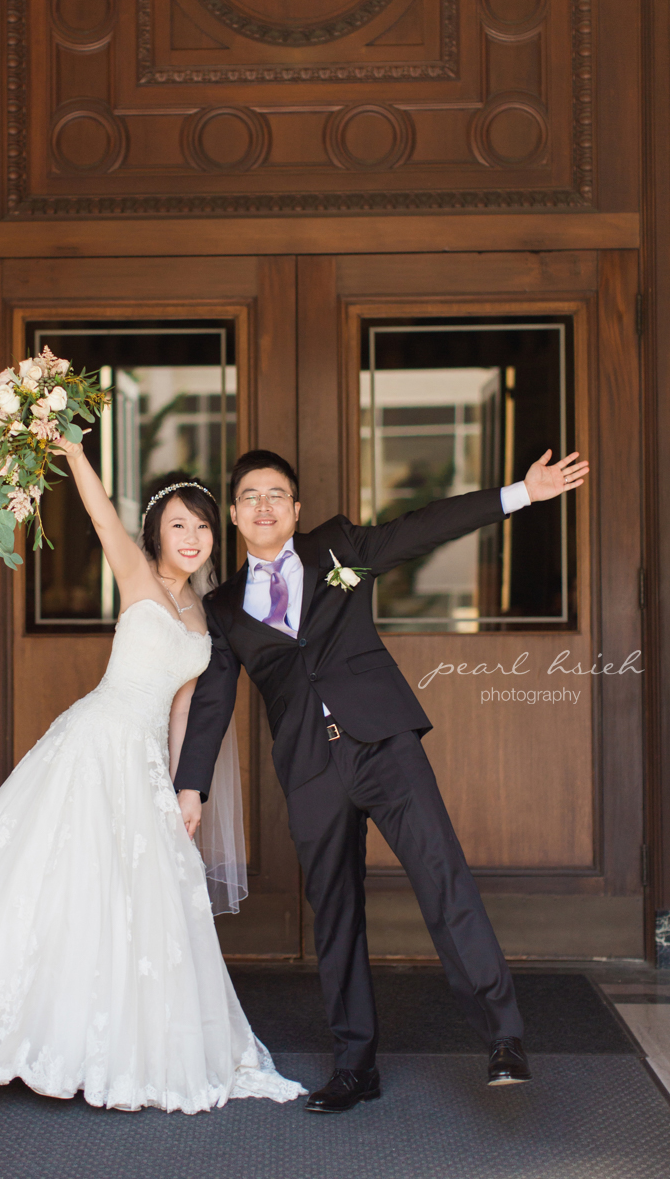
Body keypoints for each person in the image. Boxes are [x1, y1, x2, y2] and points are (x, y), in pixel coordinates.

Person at [0, 444, 305, 1114]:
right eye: (178, 525)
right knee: (57, 885)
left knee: (134, 898)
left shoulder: (203, 614)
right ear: (156, 533)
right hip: (94, 744)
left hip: (145, 763)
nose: (192, 538)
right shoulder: (137, 576)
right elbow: (101, 516)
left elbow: (184, 711)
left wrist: (185, 791)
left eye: (202, 525)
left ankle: (107, 1042)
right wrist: (72, 448)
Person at [174, 446, 590, 1113]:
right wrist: (191, 785)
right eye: (250, 496)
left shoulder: (339, 549)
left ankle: (503, 1036)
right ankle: (355, 1066)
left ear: (296, 509)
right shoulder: (221, 608)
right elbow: (213, 702)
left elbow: (422, 528)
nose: (263, 506)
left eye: (276, 494)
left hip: (385, 746)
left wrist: (521, 494)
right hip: (311, 770)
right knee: (336, 915)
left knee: (442, 877)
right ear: (235, 514)